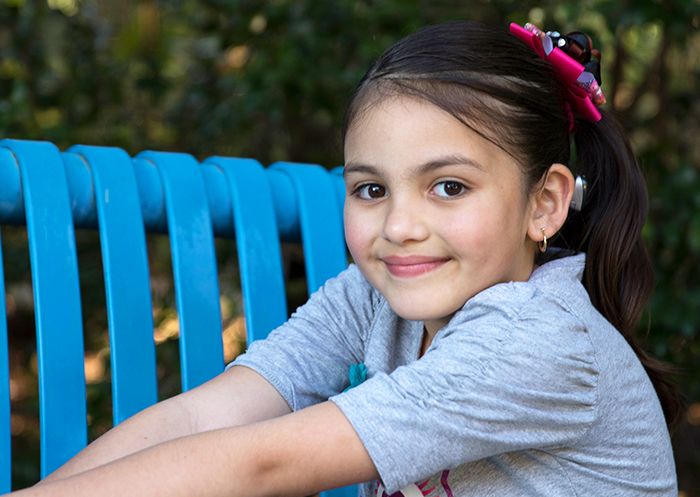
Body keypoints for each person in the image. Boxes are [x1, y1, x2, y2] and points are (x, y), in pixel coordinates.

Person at [7, 21, 681, 497]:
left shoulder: (540, 339)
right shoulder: (375, 291)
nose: (399, 225)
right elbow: (207, 416)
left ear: (544, 204)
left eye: (449, 186)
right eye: (370, 189)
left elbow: (264, 463)